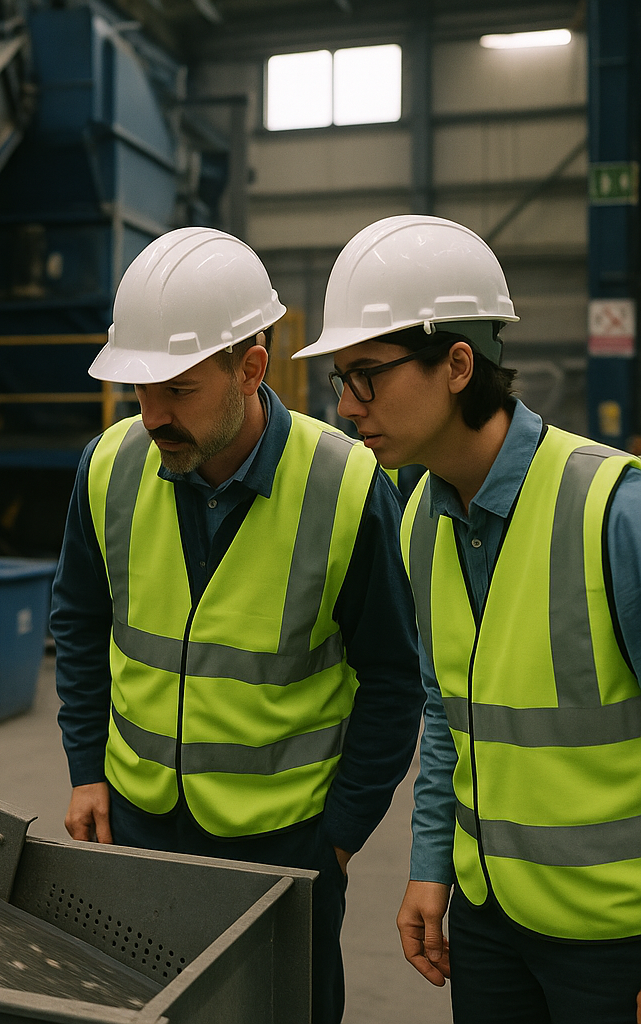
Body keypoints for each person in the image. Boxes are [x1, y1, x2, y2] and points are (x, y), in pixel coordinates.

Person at [50, 226, 424, 1024]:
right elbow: (78, 623)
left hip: (286, 845)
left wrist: (341, 834)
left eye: (178, 389)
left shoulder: (345, 485)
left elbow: (394, 679)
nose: (152, 416)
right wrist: (87, 766)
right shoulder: (108, 467)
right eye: (138, 391)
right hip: (137, 825)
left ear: (250, 368)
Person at [294, 213, 641, 1024]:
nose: (347, 408)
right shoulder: (421, 520)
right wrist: (431, 868)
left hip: (614, 938)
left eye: (367, 376)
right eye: (340, 382)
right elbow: (447, 715)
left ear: (457, 364)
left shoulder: (612, 515)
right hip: (489, 924)